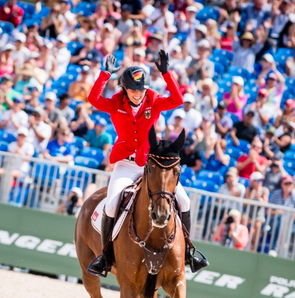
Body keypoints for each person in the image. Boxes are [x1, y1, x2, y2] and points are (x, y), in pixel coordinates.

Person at [87, 51, 208, 276]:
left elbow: (177, 100)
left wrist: (166, 73)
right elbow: (93, 100)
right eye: (133, 90)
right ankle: (105, 256)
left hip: (150, 165)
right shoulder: (116, 102)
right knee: (112, 204)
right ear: (125, 89)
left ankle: (189, 252)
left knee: (183, 199)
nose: (137, 94)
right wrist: (104, 74)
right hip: (125, 164)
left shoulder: (152, 99)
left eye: (140, 90)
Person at [244, 171, 269, 252]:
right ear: (253, 181)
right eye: (258, 180)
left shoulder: (264, 190)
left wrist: (260, 199)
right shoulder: (249, 189)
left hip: (259, 216)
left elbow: (265, 204)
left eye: (261, 181)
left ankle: (253, 249)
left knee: (257, 225)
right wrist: (251, 197)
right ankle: (242, 243)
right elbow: (245, 203)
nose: (260, 182)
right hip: (249, 214)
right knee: (243, 219)